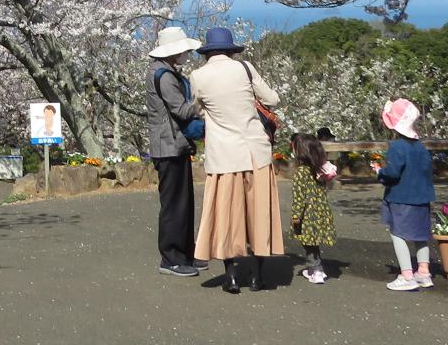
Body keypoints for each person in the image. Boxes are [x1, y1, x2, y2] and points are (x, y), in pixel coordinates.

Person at [189, 26, 285, 293]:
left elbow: (196, 109)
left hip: (224, 157)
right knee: (258, 213)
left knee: (227, 216)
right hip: (255, 152)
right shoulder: (245, 68)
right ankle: (257, 276)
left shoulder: (198, 76)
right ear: (232, 49)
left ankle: (231, 277)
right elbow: (272, 99)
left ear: (207, 52)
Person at [145, 26, 204, 276]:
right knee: (173, 204)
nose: (186, 54)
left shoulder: (165, 72)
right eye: (184, 50)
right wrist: (201, 102)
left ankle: (185, 254)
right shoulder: (165, 76)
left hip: (174, 146)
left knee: (183, 202)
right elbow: (180, 110)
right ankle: (171, 259)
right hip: (168, 147)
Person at [374, 98, 434, 290]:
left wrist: (379, 172)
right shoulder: (421, 147)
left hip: (401, 197)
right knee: (420, 235)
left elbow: (393, 173)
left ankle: (407, 275)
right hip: (422, 197)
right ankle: (424, 272)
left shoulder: (397, 147)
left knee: (397, 233)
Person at [288, 132, 339, 284]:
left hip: (307, 215)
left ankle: (317, 270)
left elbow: (299, 199)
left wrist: (296, 218)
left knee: (308, 244)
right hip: (321, 211)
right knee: (313, 242)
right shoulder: (320, 170)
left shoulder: (300, 173)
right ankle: (315, 268)